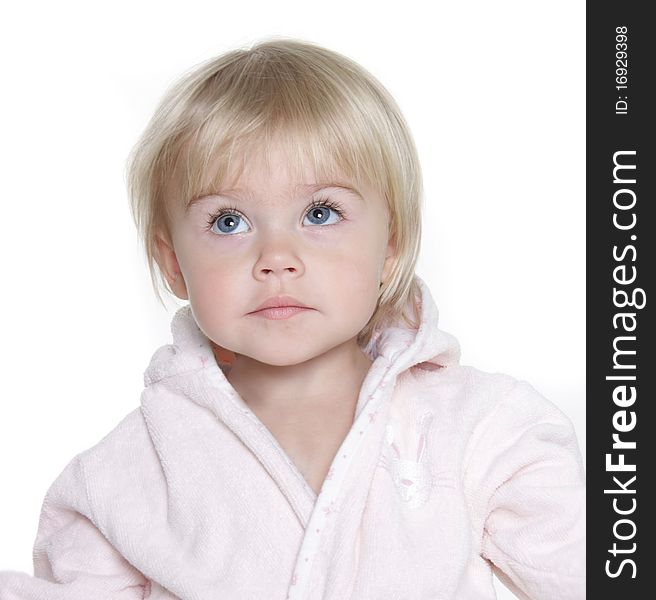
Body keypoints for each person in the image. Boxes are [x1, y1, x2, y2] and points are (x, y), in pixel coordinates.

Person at [0, 38, 585, 600]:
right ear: (174, 263)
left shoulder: (482, 431)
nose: (276, 258)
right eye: (229, 221)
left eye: (321, 212)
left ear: (391, 246)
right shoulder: (122, 478)